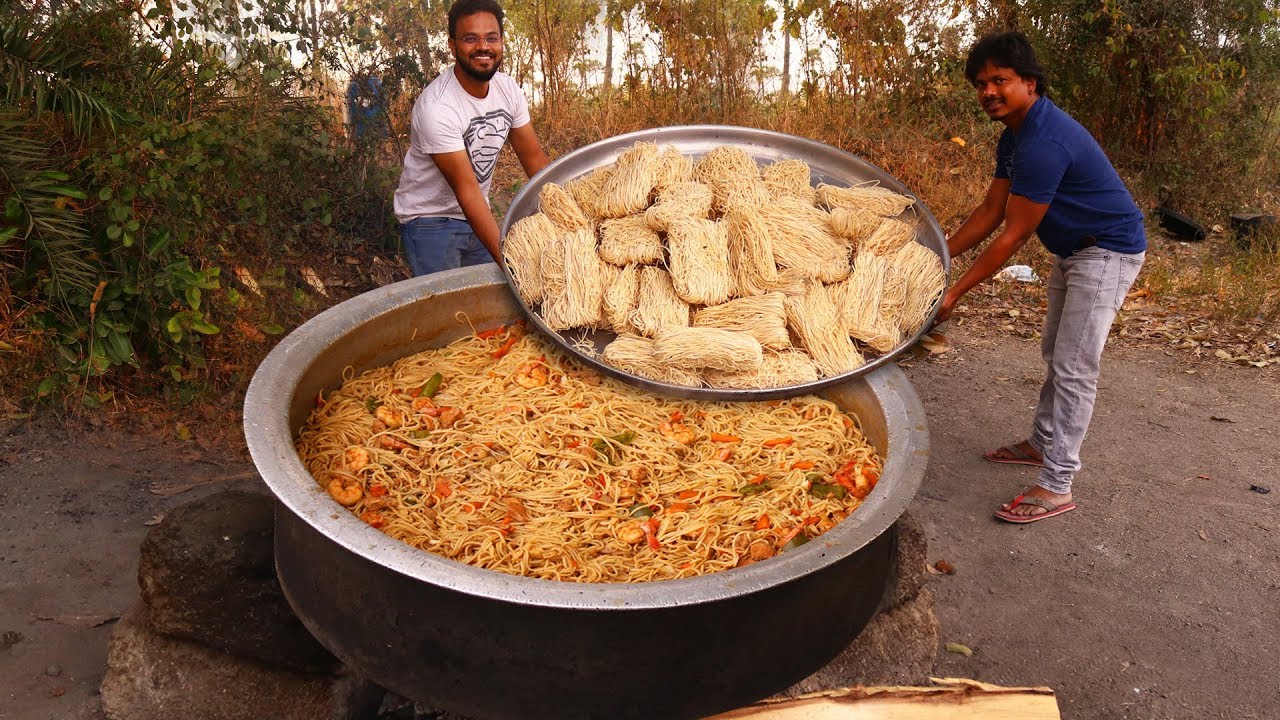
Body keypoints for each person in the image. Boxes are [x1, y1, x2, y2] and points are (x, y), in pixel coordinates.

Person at [937, 31, 1146, 524]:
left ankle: (1057, 485)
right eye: (981, 83)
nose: (989, 92)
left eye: (1001, 80)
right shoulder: (1015, 135)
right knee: (1057, 352)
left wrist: (954, 293)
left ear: (1030, 83)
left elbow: (1012, 236)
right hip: (1074, 251)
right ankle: (1041, 444)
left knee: (1075, 368)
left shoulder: (1044, 142)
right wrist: (935, 255)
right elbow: (990, 210)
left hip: (1107, 252)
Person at [393, 0, 550, 276]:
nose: (483, 47)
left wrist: (569, 214)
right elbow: (466, 191)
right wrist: (509, 262)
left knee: (490, 304)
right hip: (430, 220)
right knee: (448, 308)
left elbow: (535, 160)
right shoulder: (437, 107)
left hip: (477, 211)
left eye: (491, 37)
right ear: (453, 46)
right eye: (470, 39)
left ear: (501, 41)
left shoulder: (508, 90)